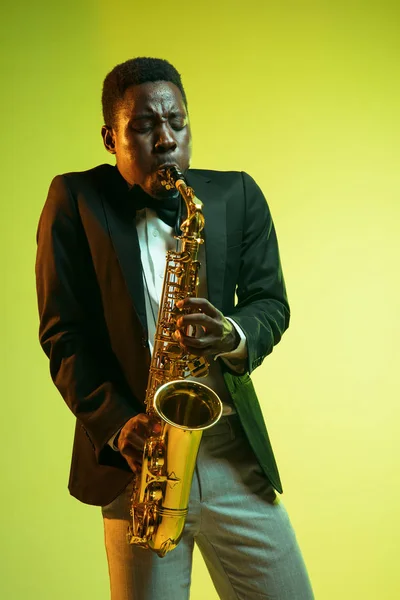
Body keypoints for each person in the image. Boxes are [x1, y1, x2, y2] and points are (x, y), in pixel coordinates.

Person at [35, 57, 314, 600]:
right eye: (143, 127)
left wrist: (231, 332)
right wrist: (119, 426)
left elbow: (270, 303)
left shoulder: (237, 194)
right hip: (139, 460)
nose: (165, 139)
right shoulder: (75, 201)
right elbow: (63, 335)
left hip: (232, 450)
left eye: (177, 123)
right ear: (110, 137)